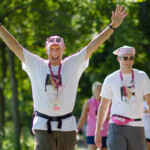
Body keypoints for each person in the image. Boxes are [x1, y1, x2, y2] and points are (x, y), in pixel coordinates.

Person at [0, 5, 127, 150]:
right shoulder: (36, 64)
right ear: (47, 50)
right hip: (43, 125)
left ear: (63, 50)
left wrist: (112, 26)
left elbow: (93, 45)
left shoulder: (72, 63)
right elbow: (14, 46)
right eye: (52, 49)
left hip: (66, 126)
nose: (55, 52)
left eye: (58, 49)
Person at [95, 45, 150, 150]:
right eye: (125, 58)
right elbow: (103, 107)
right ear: (118, 58)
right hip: (116, 126)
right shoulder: (110, 79)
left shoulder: (142, 76)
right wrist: (98, 131)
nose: (128, 61)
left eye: (131, 58)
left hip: (137, 125)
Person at [77, 81, 110, 150]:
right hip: (92, 133)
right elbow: (82, 117)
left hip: (105, 133)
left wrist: (105, 117)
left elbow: (113, 117)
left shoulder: (108, 102)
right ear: (94, 91)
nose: (101, 91)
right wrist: (77, 129)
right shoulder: (89, 103)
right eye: (99, 90)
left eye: (102, 89)